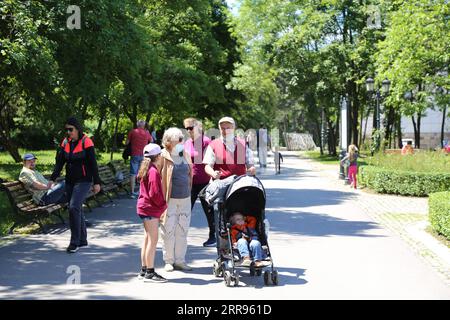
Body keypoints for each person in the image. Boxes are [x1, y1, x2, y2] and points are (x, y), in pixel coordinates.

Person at [49, 116, 101, 253]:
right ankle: (82, 240)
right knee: (77, 208)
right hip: (70, 180)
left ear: (77, 128)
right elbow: (60, 162)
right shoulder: (65, 142)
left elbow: (93, 164)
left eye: (70, 129)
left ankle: (74, 242)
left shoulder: (86, 141)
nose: (68, 132)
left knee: (73, 207)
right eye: (66, 130)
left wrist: (97, 182)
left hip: (84, 180)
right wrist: (53, 178)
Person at [159, 128, 193, 272]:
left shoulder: (185, 154)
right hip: (169, 199)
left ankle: (180, 260)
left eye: (181, 138)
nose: (181, 141)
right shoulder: (163, 155)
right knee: (168, 230)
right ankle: (169, 261)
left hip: (185, 198)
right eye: (178, 139)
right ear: (168, 141)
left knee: (182, 230)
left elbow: (190, 173)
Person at [136, 143, 168, 283]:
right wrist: (163, 205)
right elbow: (154, 193)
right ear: (158, 156)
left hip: (144, 207)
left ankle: (144, 270)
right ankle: (150, 272)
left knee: (147, 239)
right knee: (153, 240)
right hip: (150, 209)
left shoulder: (146, 168)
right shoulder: (153, 171)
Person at [183, 117, 215, 247]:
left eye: (191, 127)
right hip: (190, 182)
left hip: (205, 181)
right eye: (186, 128)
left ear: (198, 127)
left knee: (209, 210)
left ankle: (213, 236)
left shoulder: (206, 142)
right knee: (185, 211)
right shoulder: (187, 143)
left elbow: (213, 161)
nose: (189, 131)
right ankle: (181, 237)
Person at [203, 116, 256, 181]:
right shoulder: (213, 145)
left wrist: (251, 169)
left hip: (240, 184)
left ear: (233, 128)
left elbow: (250, 164)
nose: (225, 131)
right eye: (222, 128)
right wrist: (213, 174)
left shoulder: (243, 144)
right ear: (219, 129)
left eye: (228, 128)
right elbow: (207, 166)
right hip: (221, 184)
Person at [126, 120, 153, 198]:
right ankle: (142, 191)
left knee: (133, 173)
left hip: (134, 154)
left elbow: (126, 143)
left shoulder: (132, 132)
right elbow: (151, 141)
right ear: (144, 126)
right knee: (143, 173)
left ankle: (132, 192)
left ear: (137, 125)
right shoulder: (147, 133)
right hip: (144, 155)